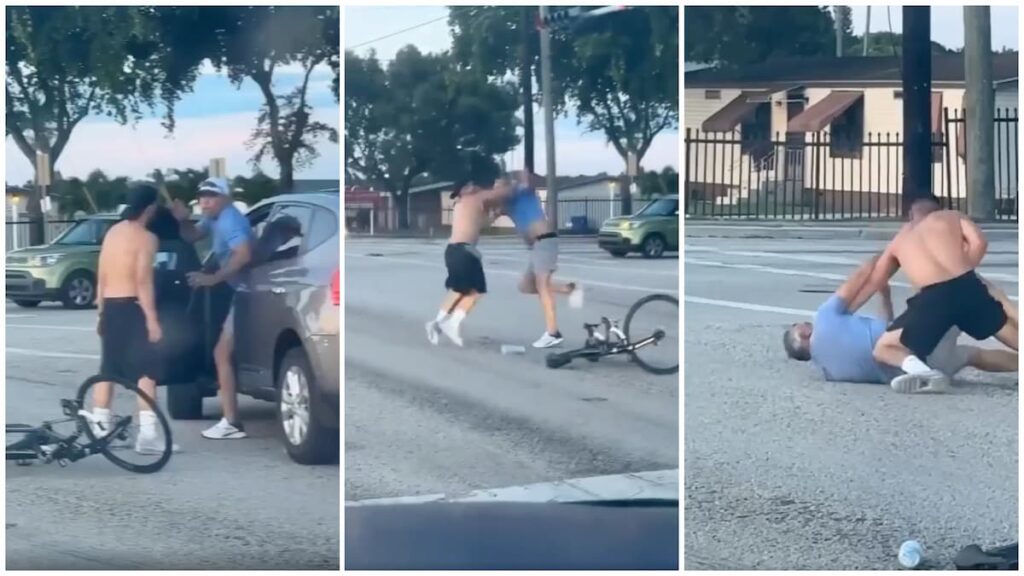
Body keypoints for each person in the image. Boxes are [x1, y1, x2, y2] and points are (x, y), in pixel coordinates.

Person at [845, 196, 1018, 393]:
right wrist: (963, 270)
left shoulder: (901, 238)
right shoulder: (951, 216)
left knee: (884, 348)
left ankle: (925, 373)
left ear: (910, 215)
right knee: (1010, 333)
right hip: (967, 286)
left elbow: (877, 279)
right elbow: (979, 243)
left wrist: (852, 308)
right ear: (938, 210)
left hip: (932, 299)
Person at [784, 255, 1018, 389]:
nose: (803, 323)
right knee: (966, 293)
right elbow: (858, 279)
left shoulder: (831, 372)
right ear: (803, 333)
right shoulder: (824, 319)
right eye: (798, 325)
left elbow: (886, 331)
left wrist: (884, 297)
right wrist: (888, 255)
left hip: (922, 365)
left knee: (972, 355)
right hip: (923, 339)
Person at [171, 177, 254, 439]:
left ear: (226, 198)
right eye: (202, 196)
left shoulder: (230, 219)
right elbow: (193, 236)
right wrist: (183, 219)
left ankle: (231, 422)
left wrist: (213, 278)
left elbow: (244, 254)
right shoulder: (213, 218)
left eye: (211, 196)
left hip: (245, 293)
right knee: (223, 353)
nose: (205, 201)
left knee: (221, 353)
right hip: (237, 292)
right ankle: (230, 419)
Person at [92, 184, 170, 454]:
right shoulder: (146, 238)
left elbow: (100, 275)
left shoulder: (112, 233)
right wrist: (152, 320)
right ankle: (147, 435)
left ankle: (100, 426)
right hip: (133, 307)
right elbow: (143, 281)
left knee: (108, 369)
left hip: (111, 307)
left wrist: (100, 312)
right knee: (147, 371)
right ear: (150, 208)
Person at [426, 176, 511, 347]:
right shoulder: (471, 199)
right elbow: (499, 193)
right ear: (468, 188)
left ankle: (443, 323)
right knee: (463, 290)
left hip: (462, 251)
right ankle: (443, 323)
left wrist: (495, 214)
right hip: (461, 250)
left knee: (473, 291)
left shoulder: (468, 204)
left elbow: (481, 224)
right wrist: (506, 186)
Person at [501, 171, 584, 348]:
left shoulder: (522, 191)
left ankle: (553, 332)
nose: (496, 189)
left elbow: (532, 183)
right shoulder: (506, 203)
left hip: (545, 240)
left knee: (542, 285)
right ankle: (570, 289)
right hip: (536, 247)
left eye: (499, 185)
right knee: (526, 286)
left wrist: (525, 176)